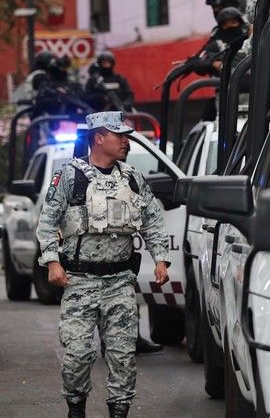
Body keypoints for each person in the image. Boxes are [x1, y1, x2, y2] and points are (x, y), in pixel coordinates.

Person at [36, 111, 170, 418]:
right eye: (119, 136)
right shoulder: (70, 175)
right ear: (98, 138)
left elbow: (153, 220)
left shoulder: (132, 179)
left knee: (123, 356)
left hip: (120, 282)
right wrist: (52, 262)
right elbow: (47, 223)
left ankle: (119, 412)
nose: (126, 141)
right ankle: (76, 409)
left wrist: (160, 258)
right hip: (79, 282)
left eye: (126, 136)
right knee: (78, 355)